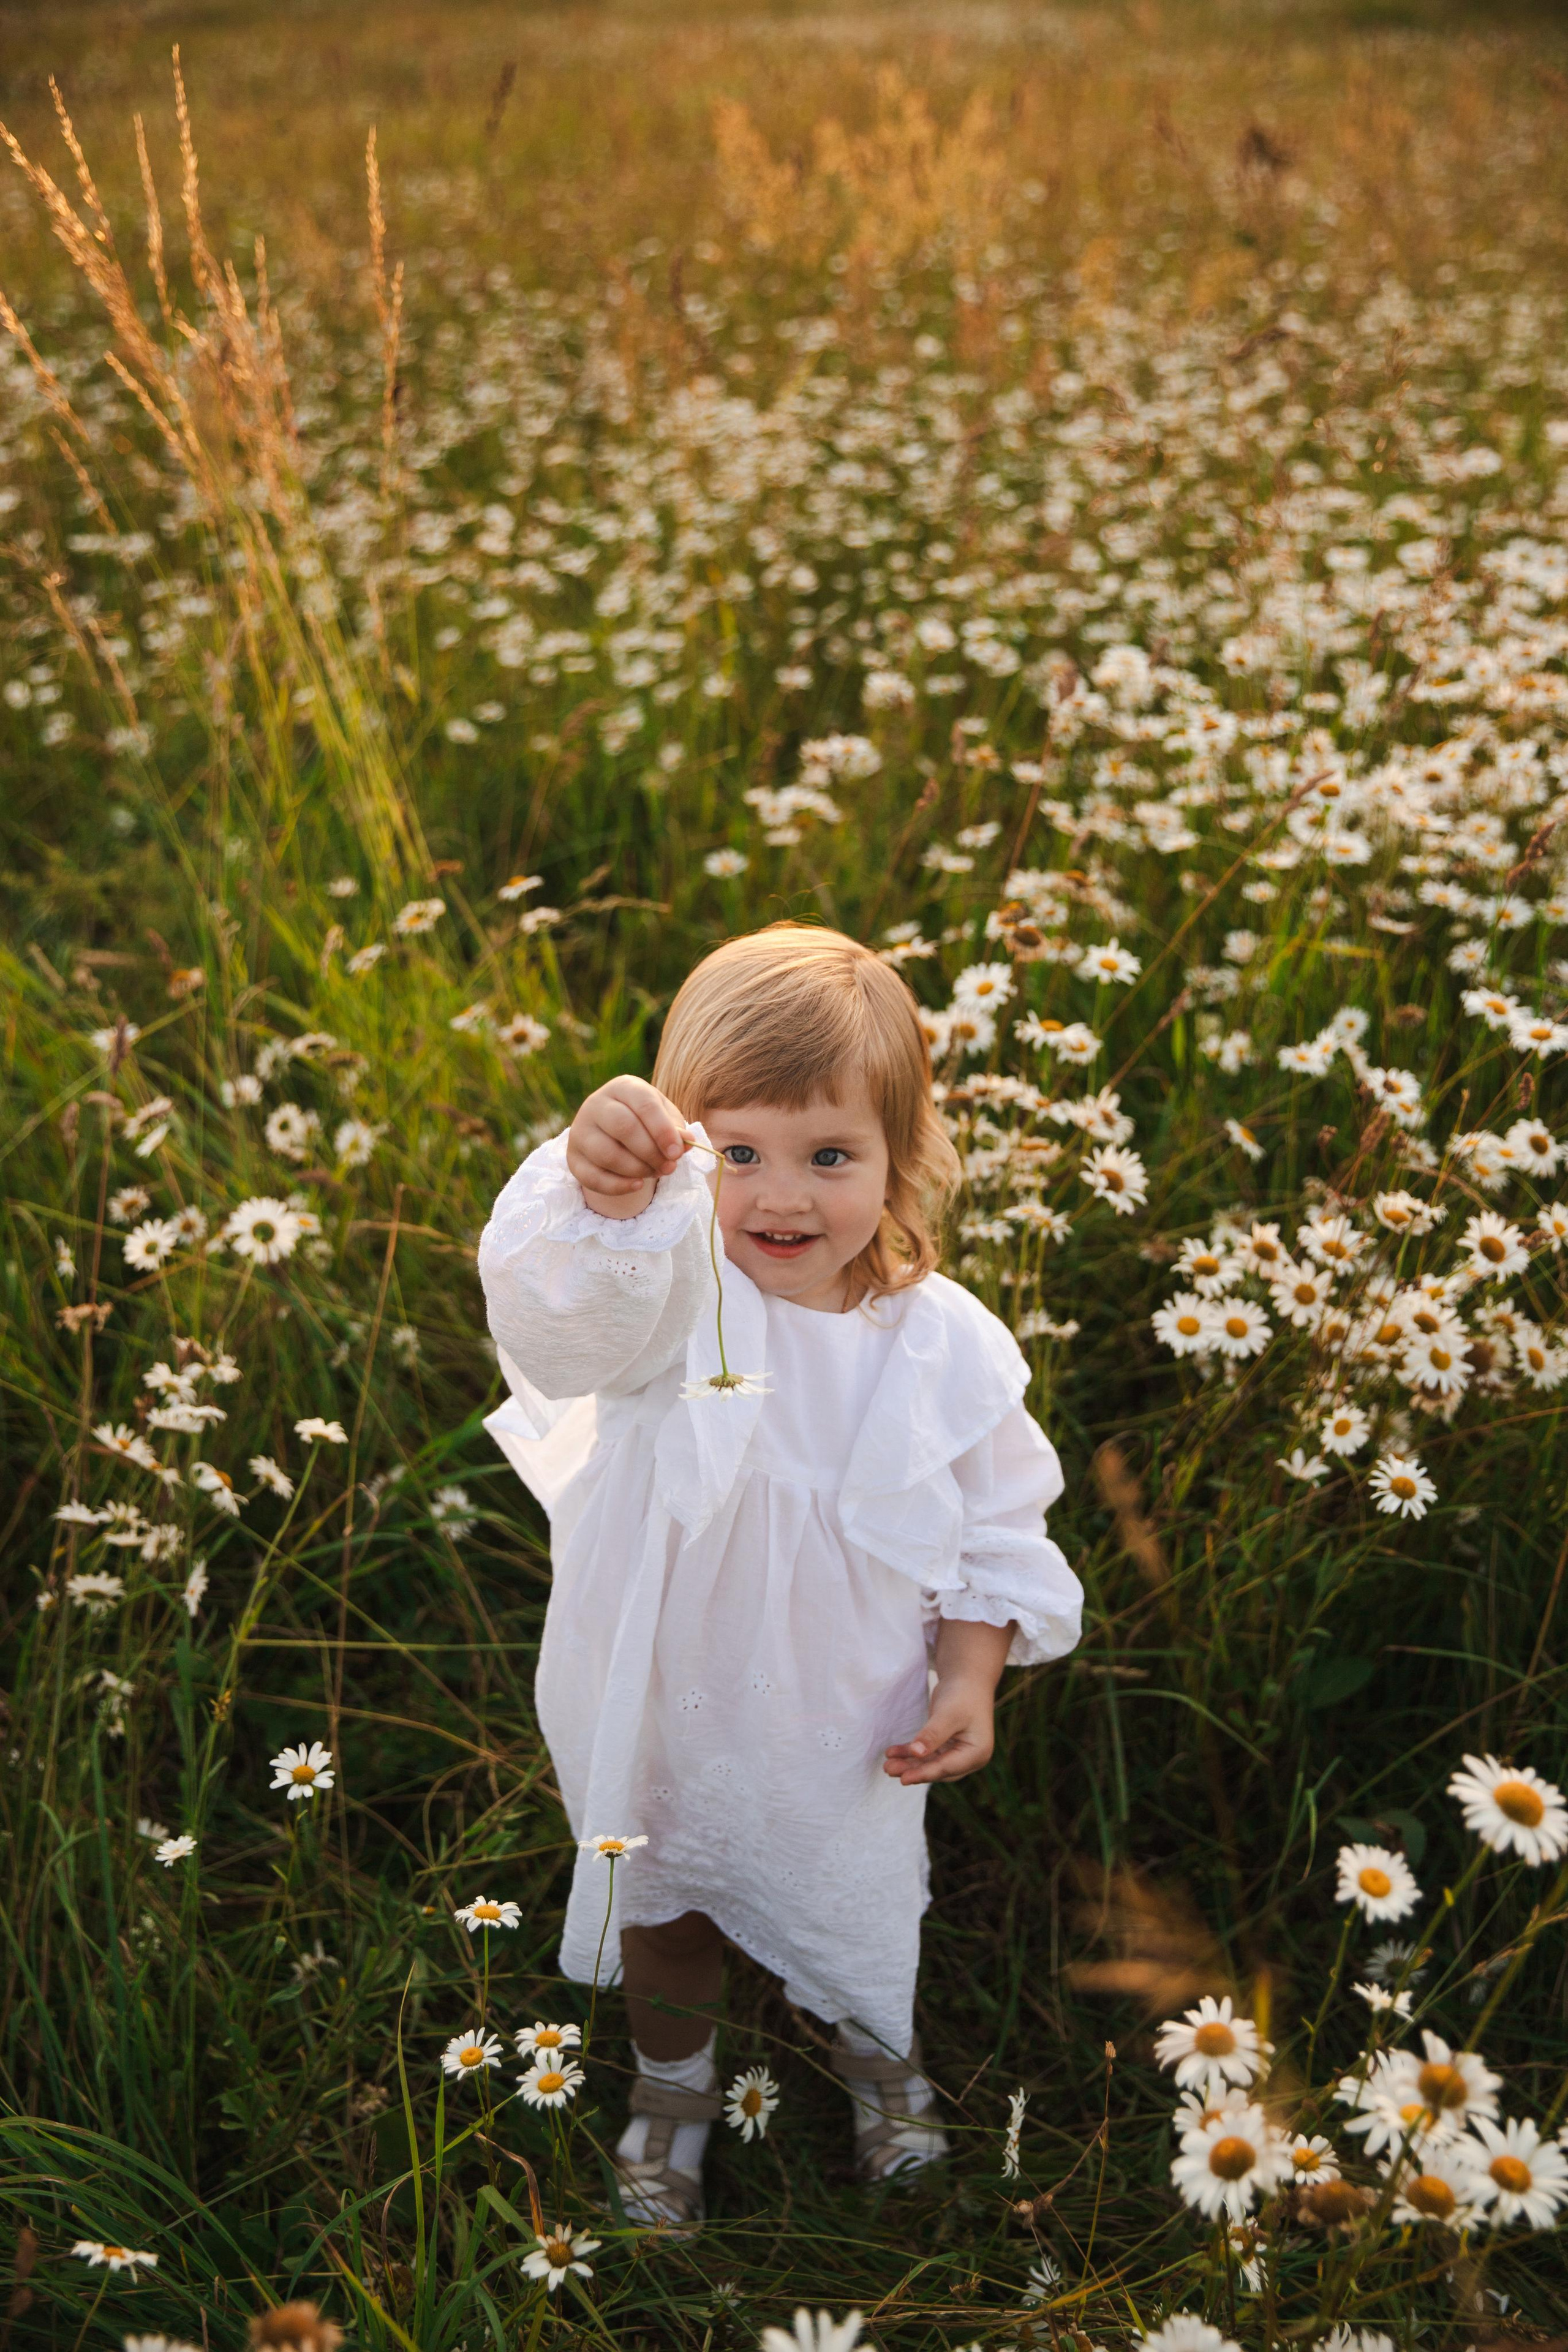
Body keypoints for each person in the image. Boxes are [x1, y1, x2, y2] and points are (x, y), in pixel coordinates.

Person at [478, 922, 1082, 2227]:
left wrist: (969, 1677)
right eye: (736, 1153)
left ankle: (878, 2067)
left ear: (898, 1160)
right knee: (665, 1893)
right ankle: (672, 2095)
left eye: (828, 1157)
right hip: (662, 1686)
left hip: (841, 1708)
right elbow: (555, 1321)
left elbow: (993, 1525)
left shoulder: (935, 1348)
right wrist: (598, 1191)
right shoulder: (668, 1291)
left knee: (853, 1899)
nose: (781, 1198)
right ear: (684, 1154)